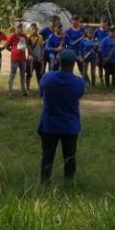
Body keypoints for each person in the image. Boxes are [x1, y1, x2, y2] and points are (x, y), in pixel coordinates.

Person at [38, 50, 86, 184]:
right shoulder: (79, 82)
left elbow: (42, 94)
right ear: (74, 64)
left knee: (47, 156)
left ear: (58, 61)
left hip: (49, 124)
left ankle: (45, 182)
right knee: (70, 157)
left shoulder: (47, 78)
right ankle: (69, 183)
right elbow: (79, 94)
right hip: (70, 126)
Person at [7, 24, 29, 96]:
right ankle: (10, 91)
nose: (20, 30)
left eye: (21, 28)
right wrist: (13, 51)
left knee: (23, 75)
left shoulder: (24, 36)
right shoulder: (12, 36)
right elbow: (7, 46)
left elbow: (27, 45)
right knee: (12, 75)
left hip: (23, 59)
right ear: (15, 28)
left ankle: (23, 91)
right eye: (18, 28)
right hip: (14, 59)